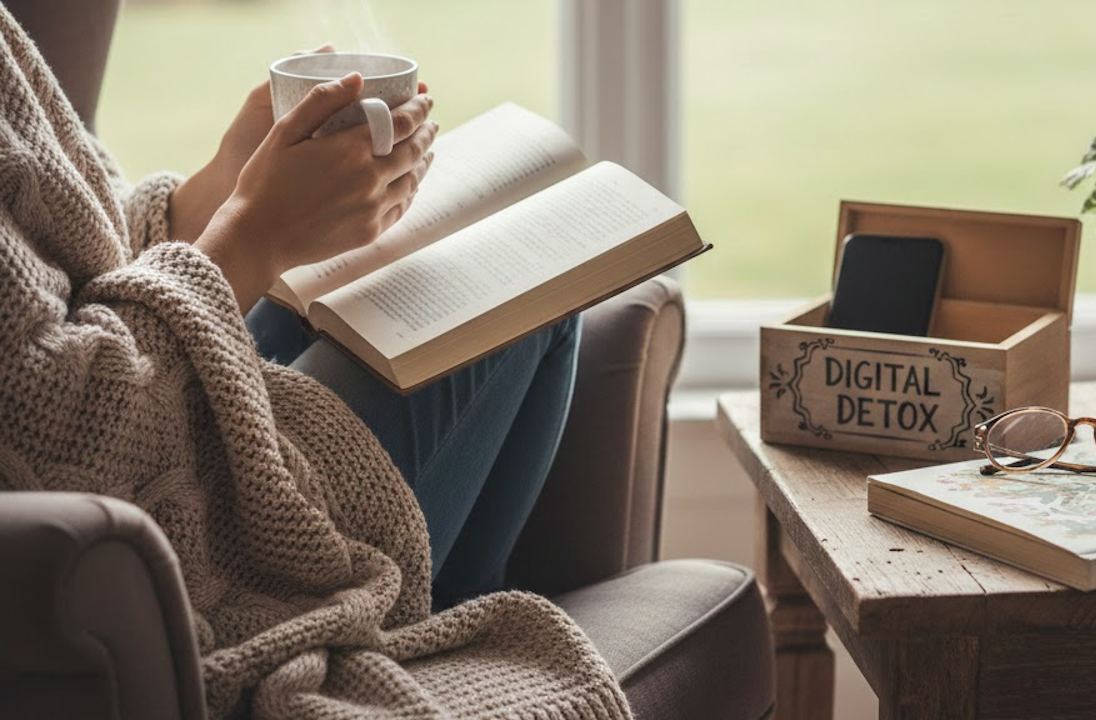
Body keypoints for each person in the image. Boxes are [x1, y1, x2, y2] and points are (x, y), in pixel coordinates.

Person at [0, 1, 627, 717]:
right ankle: (427, 627)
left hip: (156, 404)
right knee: (535, 289)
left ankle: (422, 609)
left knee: (507, 280)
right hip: (159, 522)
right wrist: (253, 236)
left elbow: (63, 255)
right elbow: (49, 433)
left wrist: (214, 194)